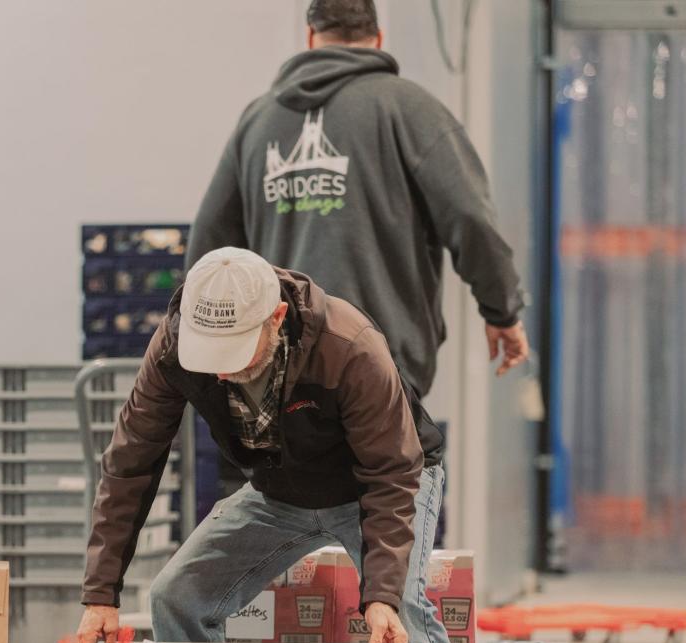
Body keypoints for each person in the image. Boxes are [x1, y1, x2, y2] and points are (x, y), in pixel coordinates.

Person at [76, 248, 454, 643]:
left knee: (398, 609)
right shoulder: (172, 346)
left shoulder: (349, 345)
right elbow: (131, 461)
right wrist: (100, 594)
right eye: (209, 353)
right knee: (176, 597)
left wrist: (381, 595)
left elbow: (390, 471)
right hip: (280, 490)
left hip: (376, 484)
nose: (218, 373)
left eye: (233, 353)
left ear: (275, 317)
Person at [187, 0, 528, 399]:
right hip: (383, 368)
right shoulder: (412, 110)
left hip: (281, 374)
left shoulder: (257, 121)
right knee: (394, 462)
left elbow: (208, 246)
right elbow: (470, 217)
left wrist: (217, 348)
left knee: (291, 463)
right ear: (378, 40)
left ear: (311, 37)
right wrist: (501, 311)